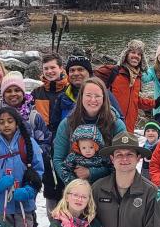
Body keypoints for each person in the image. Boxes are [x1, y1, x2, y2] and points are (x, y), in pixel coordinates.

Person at [50, 78, 128, 206]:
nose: (93, 100)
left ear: (104, 98)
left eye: (97, 96)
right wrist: (75, 186)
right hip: (76, 191)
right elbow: (58, 159)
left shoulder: (116, 125)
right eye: (88, 95)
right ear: (81, 97)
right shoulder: (67, 124)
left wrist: (91, 173)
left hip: (108, 189)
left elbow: (122, 160)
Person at [0, 71, 50, 157]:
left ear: (23, 93)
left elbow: (46, 143)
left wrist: (29, 154)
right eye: (8, 91)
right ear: (3, 94)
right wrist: (1, 155)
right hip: (0, 166)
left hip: (29, 165)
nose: (13, 94)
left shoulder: (34, 116)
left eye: (17, 90)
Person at [33, 53, 68, 216]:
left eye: (53, 67)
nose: (49, 71)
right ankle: (53, 224)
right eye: (46, 68)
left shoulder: (70, 91)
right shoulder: (37, 93)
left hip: (66, 146)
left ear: (61, 68)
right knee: (50, 188)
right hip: (45, 149)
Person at [95, 39, 155, 127]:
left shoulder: (138, 78)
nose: (136, 56)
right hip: (111, 125)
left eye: (139, 54)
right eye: (133, 52)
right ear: (126, 54)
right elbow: (89, 75)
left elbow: (135, 101)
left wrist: (155, 103)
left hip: (129, 128)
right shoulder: (113, 71)